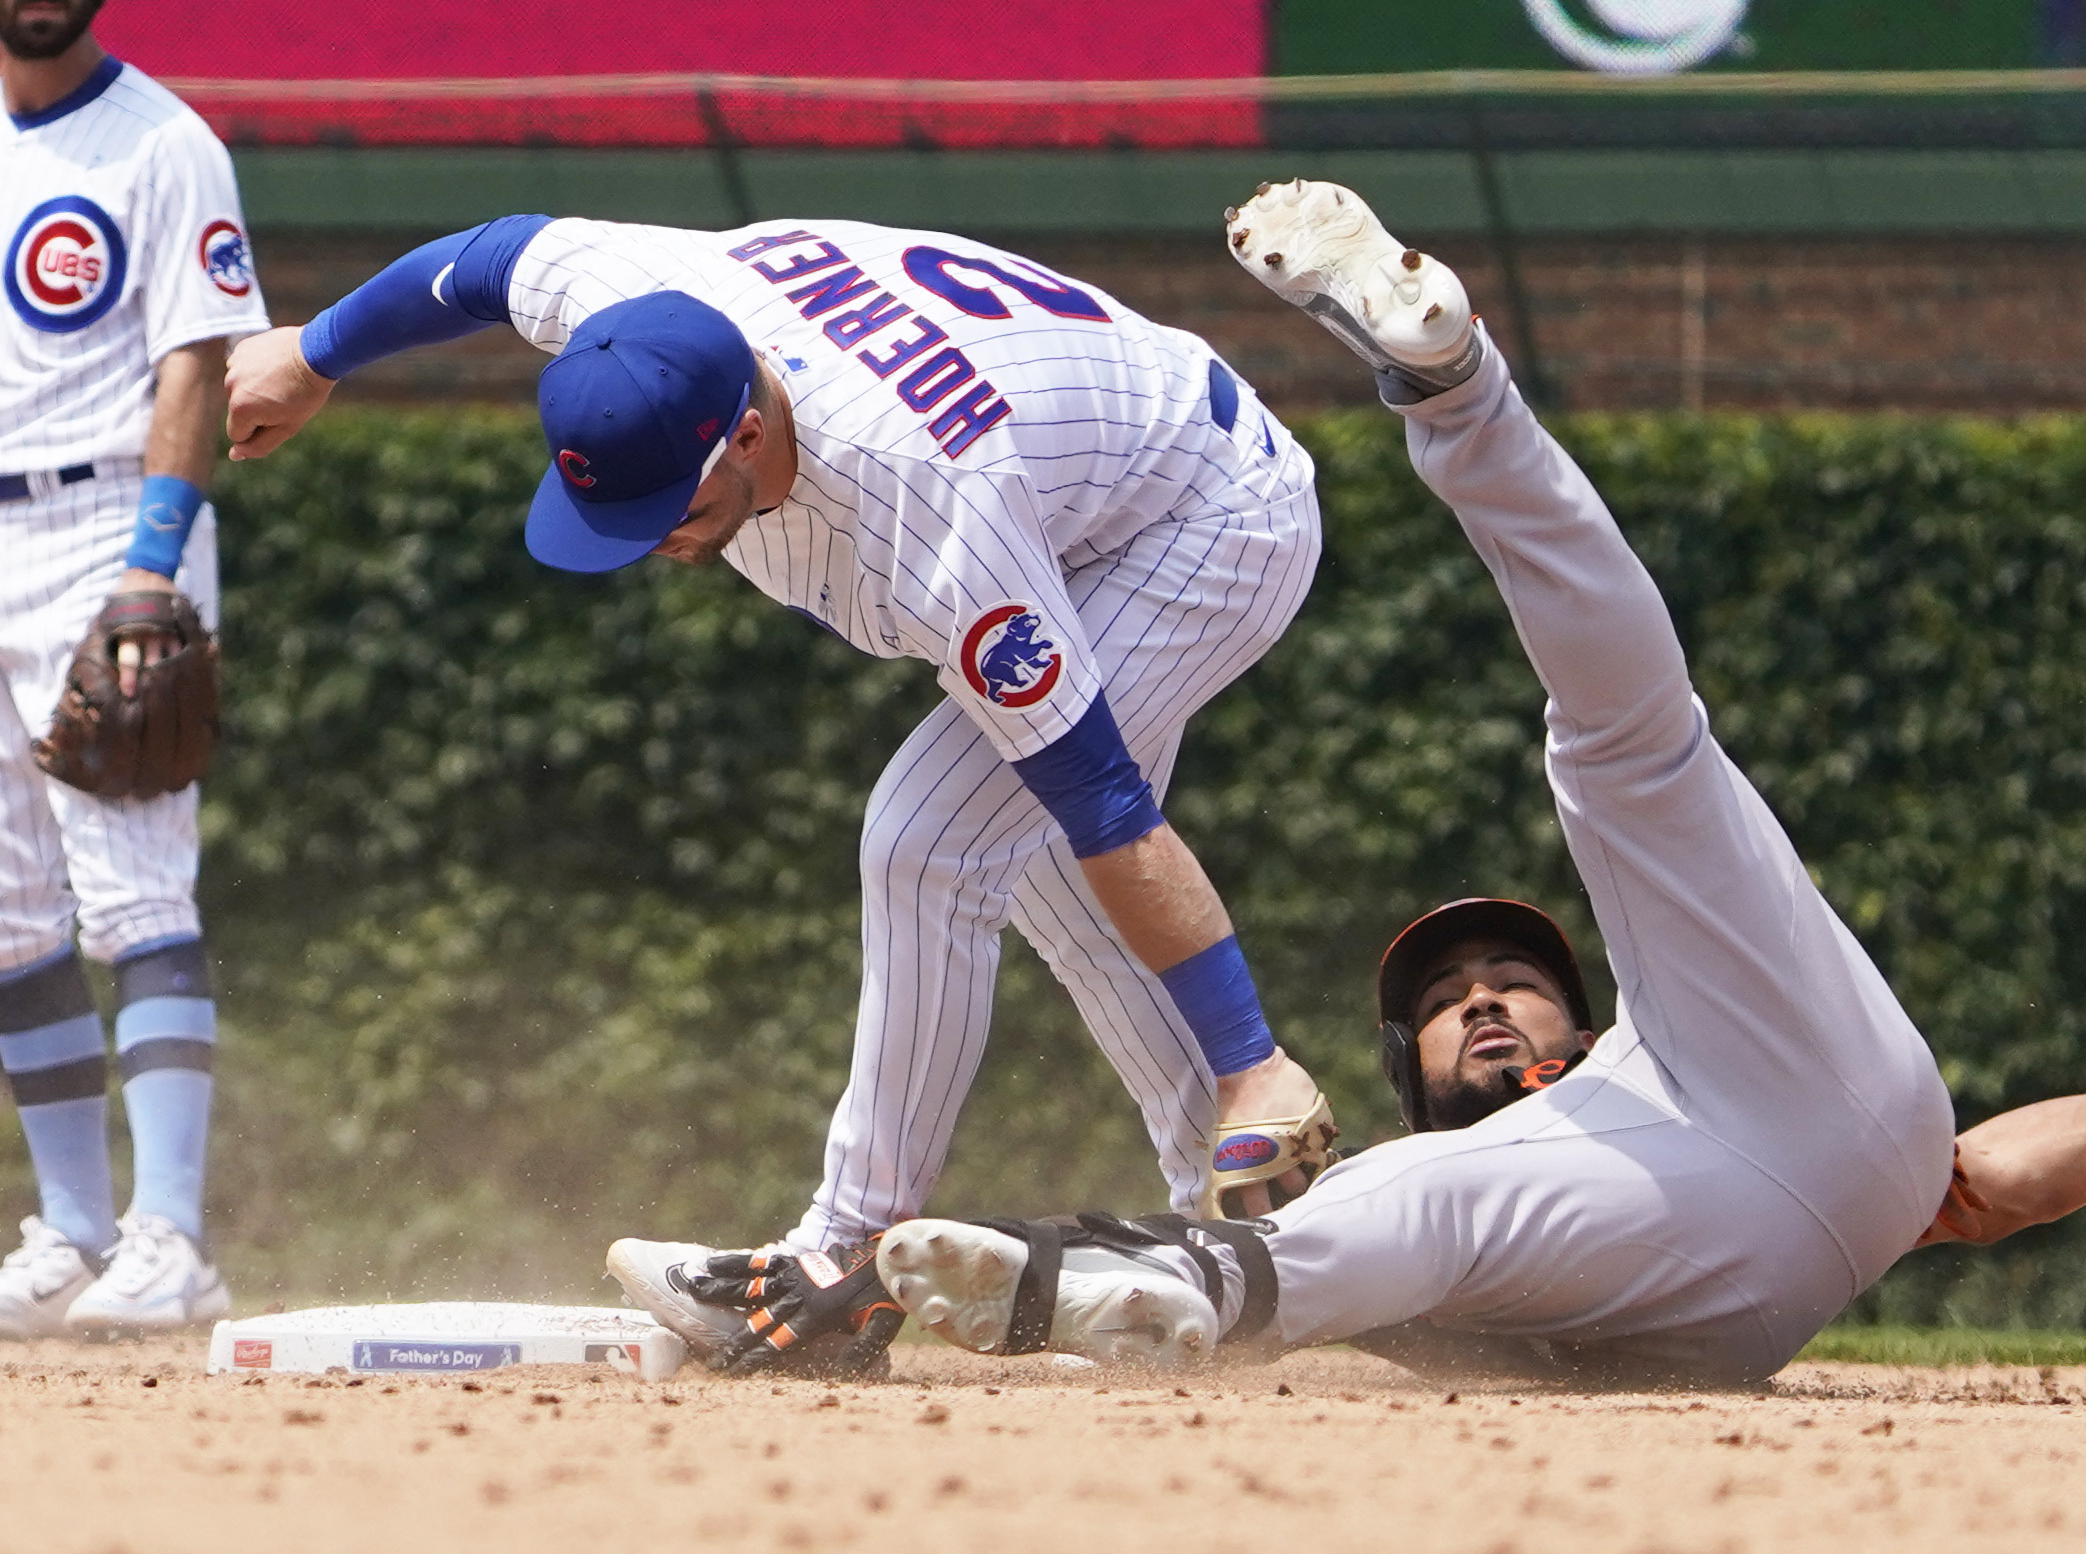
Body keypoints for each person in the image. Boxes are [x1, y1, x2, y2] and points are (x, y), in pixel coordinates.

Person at [737, 180, 2086, 1387]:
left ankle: (1454, 384)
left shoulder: (1619, 1066)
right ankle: (1119, 1287)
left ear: (1580, 1014)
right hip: (1697, 1266)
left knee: (1622, 742)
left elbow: (1980, 1175)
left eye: (1509, 981)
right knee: (1399, 1213)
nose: (1478, 998)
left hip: (1778, 1086)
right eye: (1446, 999)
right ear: (1401, 1064)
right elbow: (1997, 1191)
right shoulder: (1430, 1200)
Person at [221, 204, 1344, 1359]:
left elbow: (1109, 802)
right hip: (1078, 476)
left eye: (673, 508)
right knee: (1032, 861)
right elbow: (489, 257)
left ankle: (848, 1254)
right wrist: (316, 354)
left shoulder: (922, 499)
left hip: (1203, 517)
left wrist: (1250, 1058)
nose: (653, 541)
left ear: (748, 436)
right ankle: (1263, 1246)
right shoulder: (633, 306)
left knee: (934, 838)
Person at [0, 0, 266, 1337]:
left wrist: (152, 566)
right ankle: (72, 1231)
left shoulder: (166, 142)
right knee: (8, 910)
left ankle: (173, 1235)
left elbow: (195, 358)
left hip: (110, 518)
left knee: (132, 886)